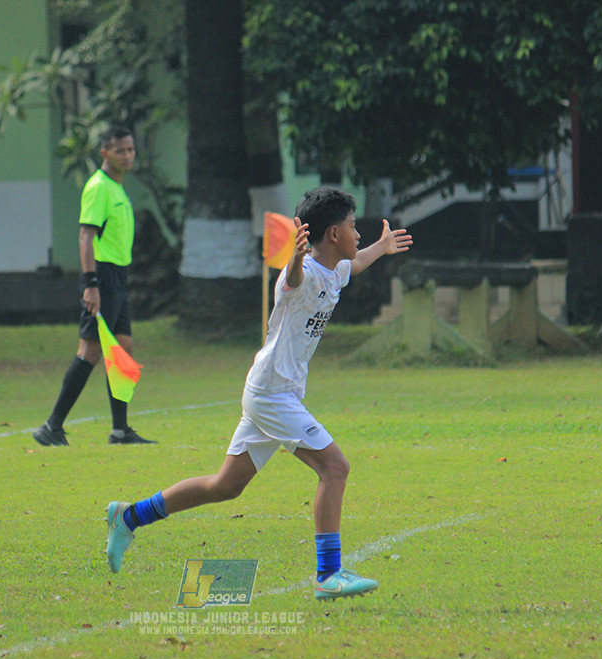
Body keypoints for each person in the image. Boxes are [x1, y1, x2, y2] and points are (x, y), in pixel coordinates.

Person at [104, 186, 413, 600]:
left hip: (273, 392)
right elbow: (295, 276)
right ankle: (328, 574)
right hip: (273, 395)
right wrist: (298, 256)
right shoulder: (296, 276)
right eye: (354, 226)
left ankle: (129, 517)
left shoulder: (337, 267)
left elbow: (355, 264)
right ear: (333, 234)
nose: (359, 233)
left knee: (225, 486)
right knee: (335, 468)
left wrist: (382, 245)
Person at [32, 127, 156, 447]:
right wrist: (91, 285)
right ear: (105, 154)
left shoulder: (117, 187)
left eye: (130, 150)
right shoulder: (99, 187)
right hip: (102, 277)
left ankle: (120, 430)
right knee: (89, 352)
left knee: (123, 349)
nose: (127, 156)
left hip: (118, 279)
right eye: (120, 151)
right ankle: (51, 427)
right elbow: (86, 236)